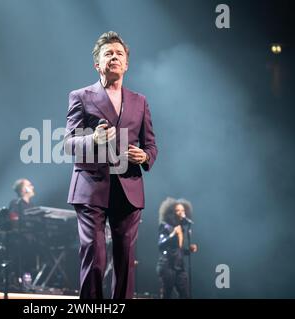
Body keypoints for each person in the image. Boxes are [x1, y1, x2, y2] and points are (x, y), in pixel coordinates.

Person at [64, 31, 158, 299]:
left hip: (129, 187)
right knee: (94, 255)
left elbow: (151, 145)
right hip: (91, 186)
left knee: (126, 261)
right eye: (108, 53)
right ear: (97, 64)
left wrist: (145, 156)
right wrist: (93, 138)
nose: (114, 56)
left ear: (126, 64)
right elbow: (69, 143)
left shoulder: (140, 101)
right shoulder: (80, 96)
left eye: (119, 53)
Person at [156, 197, 198, 299]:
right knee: (167, 295)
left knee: (185, 295)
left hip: (180, 267)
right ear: (171, 212)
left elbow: (179, 250)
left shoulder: (183, 228)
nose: (181, 212)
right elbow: (161, 244)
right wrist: (173, 234)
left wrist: (189, 250)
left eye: (183, 210)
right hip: (167, 266)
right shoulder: (165, 226)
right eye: (178, 210)